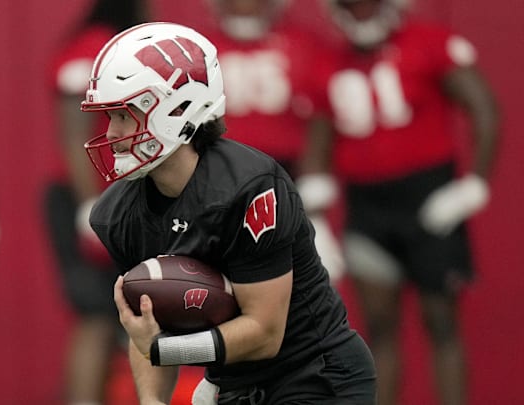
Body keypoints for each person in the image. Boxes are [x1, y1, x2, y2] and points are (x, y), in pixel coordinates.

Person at [80, 22, 377, 404]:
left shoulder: (248, 187)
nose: (113, 131)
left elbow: (264, 333)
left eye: (126, 114)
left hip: (315, 373)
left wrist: (163, 350)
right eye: (110, 116)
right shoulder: (118, 213)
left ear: (179, 107)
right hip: (236, 384)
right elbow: (149, 327)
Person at [302, 1, 500, 405]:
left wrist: (474, 183)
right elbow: (317, 141)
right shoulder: (326, 62)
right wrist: (315, 217)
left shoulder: (430, 42)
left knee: (442, 323)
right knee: (377, 329)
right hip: (368, 207)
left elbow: (484, 107)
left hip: (430, 200)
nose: (361, 14)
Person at [44, 0, 149, 403]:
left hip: (125, 194)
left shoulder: (130, 47)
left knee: (129, 315)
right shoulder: (92, 47)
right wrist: (89, 204)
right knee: (95, 315)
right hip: (90, 197)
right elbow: (73, 132)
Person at [201, 0, 345, 283]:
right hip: (218, 178)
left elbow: (320, 115)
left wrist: (313, 196)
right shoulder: (201, 49)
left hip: (285, 176)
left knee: (300, 285)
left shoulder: (302, 43)